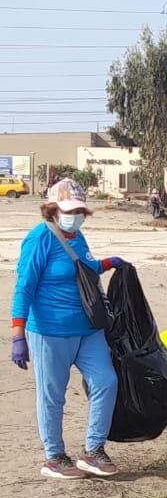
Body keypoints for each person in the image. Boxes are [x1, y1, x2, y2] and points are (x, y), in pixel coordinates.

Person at [9, 179, 128, 479]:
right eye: (68, 210)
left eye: (79, 211)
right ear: (52, 210)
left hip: (88, 330)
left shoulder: (78, 237)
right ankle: (54, 457)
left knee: (106, 381)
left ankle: (94, 450)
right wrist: (18, 335)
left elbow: (83, 268)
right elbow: (24, 288)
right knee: (52, 395)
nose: (74, 216)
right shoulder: (39, 239)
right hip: (49, 332)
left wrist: (109, 262)